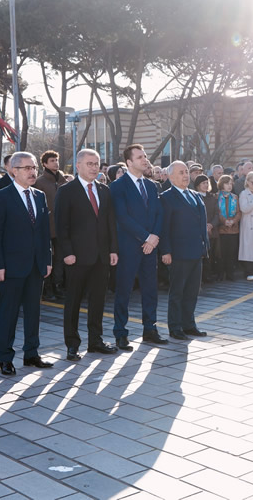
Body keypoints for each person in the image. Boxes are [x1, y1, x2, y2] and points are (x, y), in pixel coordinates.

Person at [0, 152, 53, 375]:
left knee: (34, 312)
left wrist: (47, 260)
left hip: (36, 266)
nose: (32, 171)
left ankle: (31, 353)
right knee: (9, 313)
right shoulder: (1, 197)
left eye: (33, 167)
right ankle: (5, 357)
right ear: (13, 171)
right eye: (26, 168)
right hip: (11, 267)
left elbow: (44, 232)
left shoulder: (39, 196)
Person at [55, 149, 120, 359]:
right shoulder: (66, 191)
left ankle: (95, 341)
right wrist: (67, 252)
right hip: (76, 257)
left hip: (101, 256)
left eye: (97, 164)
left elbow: (110, 222)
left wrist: (113, 250)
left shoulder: (104, 190)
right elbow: (61, 225)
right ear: (78, 166)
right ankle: (72, 344)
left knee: (98, 301)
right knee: (73, 301)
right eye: (90, 164)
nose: (94, 168)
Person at [110, 144, 167, 350]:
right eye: (140, 157)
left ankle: (150, 330)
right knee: (124, 290)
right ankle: (120, 333)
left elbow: (159, 214)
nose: (145, 160)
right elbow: (122, 217)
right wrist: (146, 237)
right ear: (129, 162)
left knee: (150, 289)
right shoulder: (118, 186)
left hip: (150, 248)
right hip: (129, 247)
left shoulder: (152, 186)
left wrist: (154, 239)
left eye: (145, 156)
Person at [159, 162, 209, 340]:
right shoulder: (166, 197)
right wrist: (165, 251)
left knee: (192, 291)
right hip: (178, 252)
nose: (186, 175)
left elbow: (201, 224)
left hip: (196, 251)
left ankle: (189, 324)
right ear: (171, 177)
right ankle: (175, 327)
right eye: (181, 172)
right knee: (177, 292)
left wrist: (205, 247)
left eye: (187, 172)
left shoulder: (195, 195)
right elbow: (163, 227)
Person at [33, 150, 68, 301]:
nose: (55, 163)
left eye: (56, 160)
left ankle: (58, 286)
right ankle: (46, 289)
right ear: (45, 164)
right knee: (47, 258)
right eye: (52, 160)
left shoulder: (64, 181)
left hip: (62, 227)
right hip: (46, 226)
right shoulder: (39, 182)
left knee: (60, 258)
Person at [216, 175, 241, 281]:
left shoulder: (235, 197)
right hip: (221, 229)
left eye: (231, 183)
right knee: (221, 253)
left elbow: (239, 212)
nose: (229, 186)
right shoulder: (216, 197)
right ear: (222, 184)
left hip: (233, 229)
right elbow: (217, 212)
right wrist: (224, 221)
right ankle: (220, 274)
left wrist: (233, 221)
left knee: (231, 252)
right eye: (227, 183)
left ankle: (230, 273)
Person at [196, 175, 219, 282]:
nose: (205, 185)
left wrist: (211, 225)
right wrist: (203, 225)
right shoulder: (195, 196)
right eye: (203, 183)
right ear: (197, 185)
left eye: (206, 183)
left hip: (212, 230)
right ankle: (200, 277)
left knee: (211, 254)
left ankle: (208, 275)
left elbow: (216, 214)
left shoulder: (212, 197)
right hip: (199, 231)